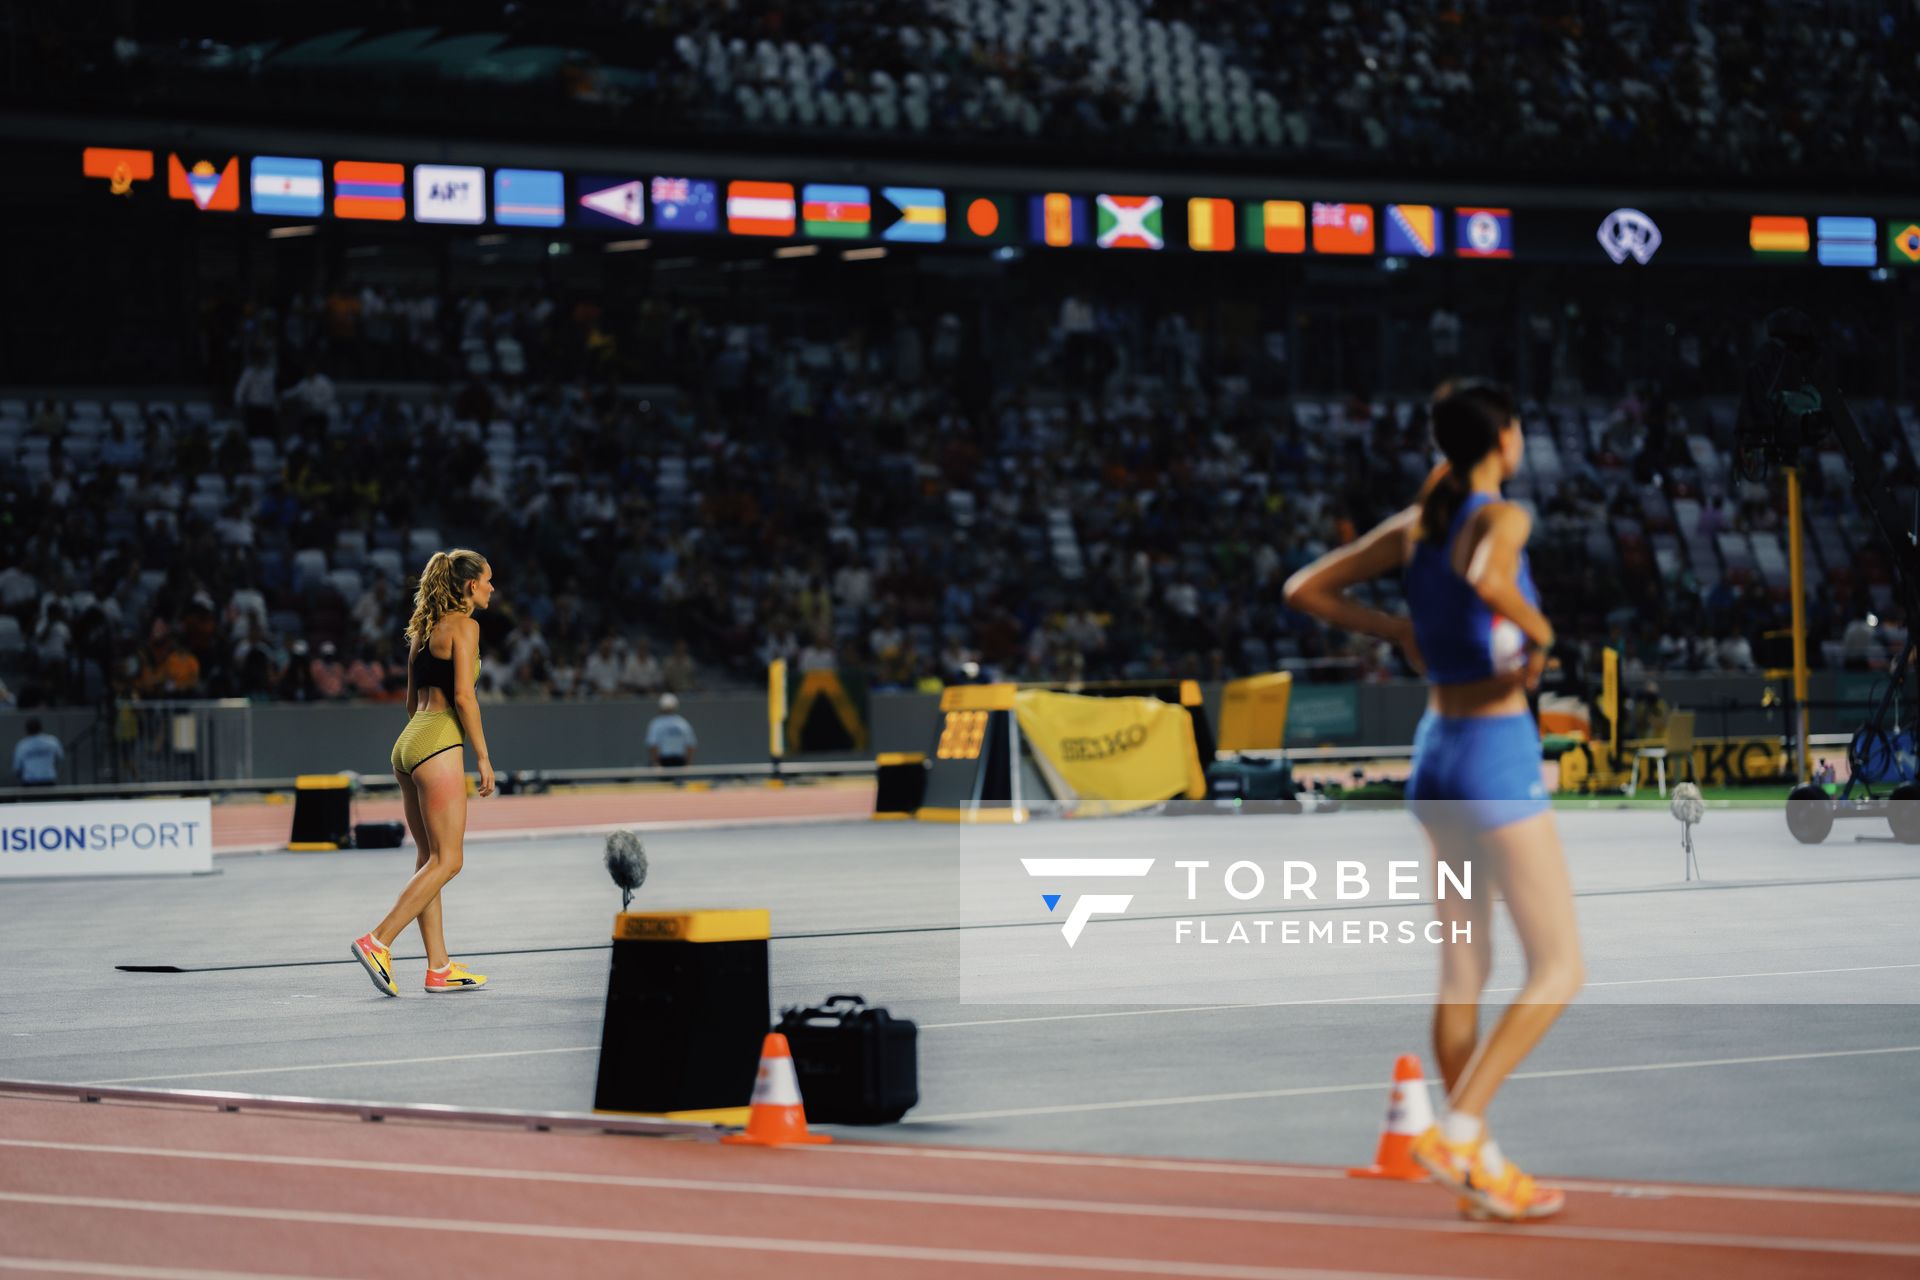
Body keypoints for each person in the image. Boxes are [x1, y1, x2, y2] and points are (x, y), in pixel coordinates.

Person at [1284, 379, 1581, 1222]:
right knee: (1559, 967)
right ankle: (1460, 1131)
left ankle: (1476, 1164)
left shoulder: (1412, 528)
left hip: (1436, 758)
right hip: (1494, 754)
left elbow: (1303, 590)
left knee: (1463, 969)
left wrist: (1401, 632)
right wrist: (1546, 633)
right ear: (1506, 441)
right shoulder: (1501, 516)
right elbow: (1491, 578)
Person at [351, 549, 496, 998]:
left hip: (409, 741)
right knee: (450, 859)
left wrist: (429, 732)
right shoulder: (465, 627)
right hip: (438, 742)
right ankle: (378, 940)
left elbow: (411, 702)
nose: (493, 588)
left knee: (428, 859)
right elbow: (464, 697)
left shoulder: (422, 630)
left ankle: (439, 967)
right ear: (470, 586)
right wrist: (483, 756)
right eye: (489, 580)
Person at [645, 692, 698, 768]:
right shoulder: (682, 722)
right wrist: (688, 763)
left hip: (664, 761)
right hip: (679, 761)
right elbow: (691, 745)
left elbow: (652, 745)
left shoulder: (656, 723)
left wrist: (655, 762)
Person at [12, 717, 63, 786]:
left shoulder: (22, 745)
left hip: (31, 781)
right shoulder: (52, 741)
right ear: (41, 728)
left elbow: (17, 768)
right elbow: (59, 758)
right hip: (47, 779)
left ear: (27, 730)